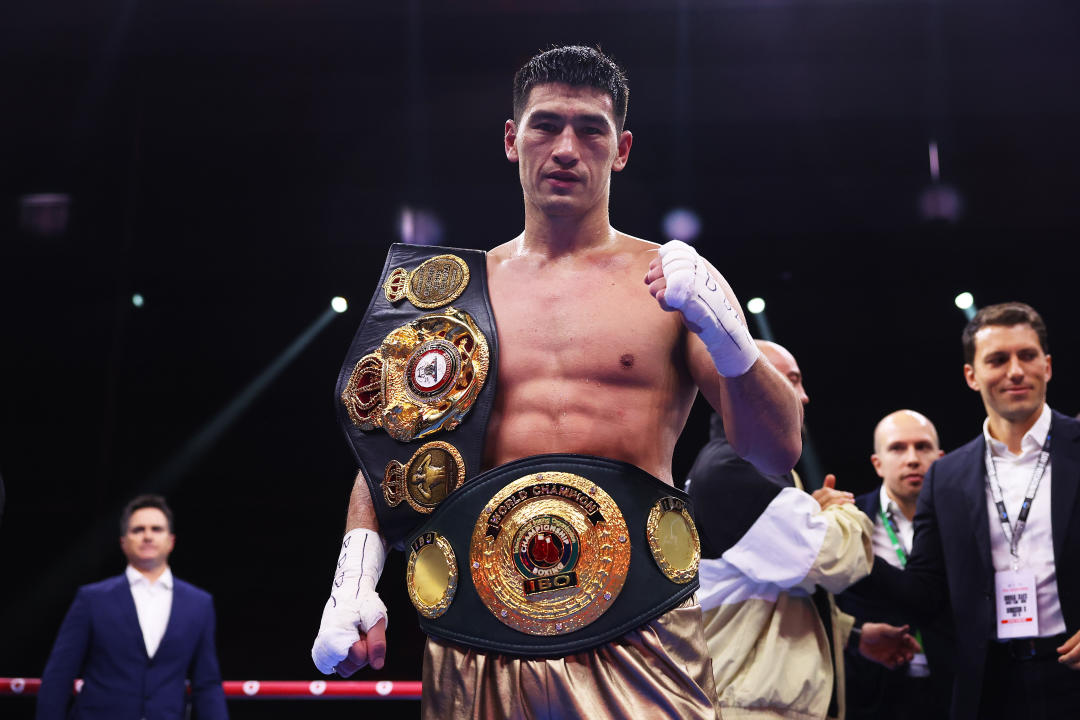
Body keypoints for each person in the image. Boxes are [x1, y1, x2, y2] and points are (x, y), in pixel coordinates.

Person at [311, 45, 804, 719]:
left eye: (590, 129)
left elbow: (777, 452)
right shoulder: (451, 296)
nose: (566, 147)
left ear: (621, 148)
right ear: (513, 141)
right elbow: (390, 452)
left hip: (640, 620)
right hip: (476, 622)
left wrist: (732, 340)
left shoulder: (670, 281)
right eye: (546, 125)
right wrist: (355, 580)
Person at [849, 302, 1080, 720]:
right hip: (989, 685)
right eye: (997, 359)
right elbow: (925, 590)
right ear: (971, 376)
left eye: (1026, 356)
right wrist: (841, 545)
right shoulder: (947, 475)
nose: (1014, 371)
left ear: (1047, 366)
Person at [687, 340, 918, 720]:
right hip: (749, 709)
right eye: (791, 380)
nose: (805, 397)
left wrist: (853, 636)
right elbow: (833, 560)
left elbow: (767, 592)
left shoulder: (755, 466)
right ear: (749, 384)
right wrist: (842, 508)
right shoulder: (733, 469)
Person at [37, 495, 228, 720]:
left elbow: (207, 684)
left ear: (171, 541)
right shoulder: (92, 599)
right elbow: (59, 674)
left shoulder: (199, 603)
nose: (147, 536)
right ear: (123, 542)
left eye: (156, 529)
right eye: (138, 529)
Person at [837, 410, 953, 720]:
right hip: (873, 694)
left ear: (941, 458)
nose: (912, 459)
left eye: (923, 447)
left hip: (953, 688)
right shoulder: (847, 521)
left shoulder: (964, 518)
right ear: (877, 463)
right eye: (898, 448)